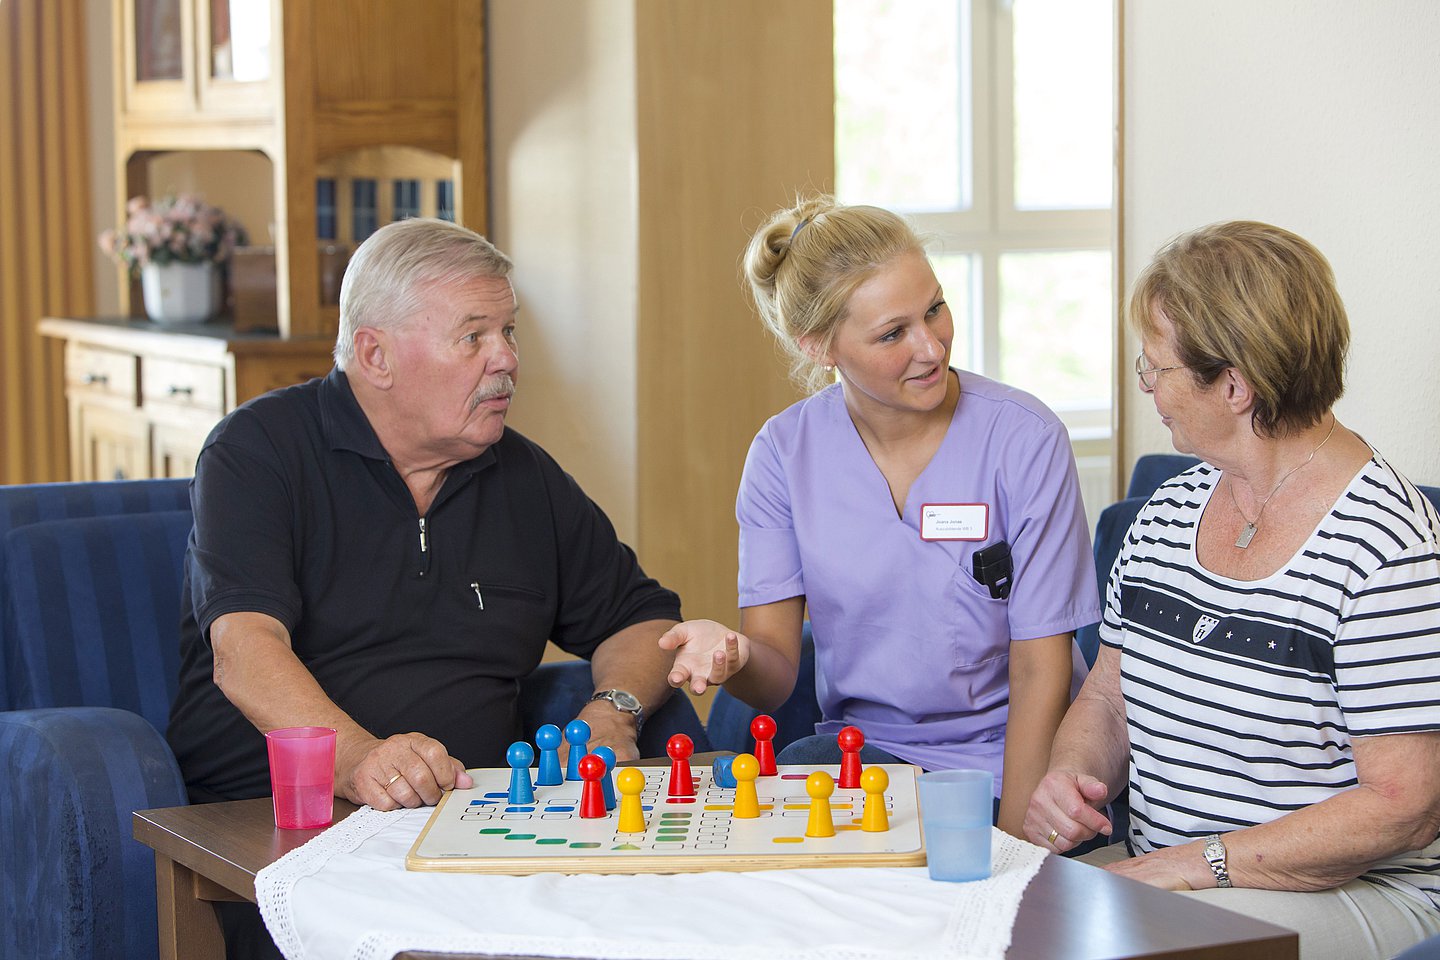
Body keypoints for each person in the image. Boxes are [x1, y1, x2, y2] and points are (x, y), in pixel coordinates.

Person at [166, 218, 682, 958]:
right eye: (473, 337)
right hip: (281, 830)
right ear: (375, 354)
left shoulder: (523, 477)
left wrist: (615, 710)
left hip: (476, 825)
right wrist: (357, 758)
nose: (506, 359)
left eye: (507, 331)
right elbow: (243, 651)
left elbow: (642, 619)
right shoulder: (260, 451)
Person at [1025, 220, 1440, 960]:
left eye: (1157, 369)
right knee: (982, 925)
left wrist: (1197, 864)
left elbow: (1402, 807)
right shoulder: (1165, 513)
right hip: (1168, 881)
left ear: (1235, 385)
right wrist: (1073, 773)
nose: (1149, 388)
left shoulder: (1386, 548)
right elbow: (1107, 699)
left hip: (1355, 893)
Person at [659, 196, 1100, 835]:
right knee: (798, 776)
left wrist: (1012, 839)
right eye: (893, 333)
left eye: (935, 310)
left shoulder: (1025, 439)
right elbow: (777, 676)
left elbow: (1041, 665)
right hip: (868, 764)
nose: (931, 347)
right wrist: (734, 655)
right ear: (818, 347)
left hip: (1016, 759)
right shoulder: (783, 455)